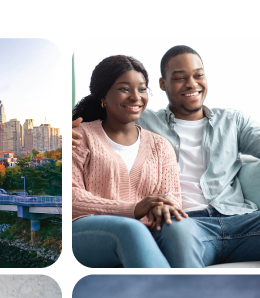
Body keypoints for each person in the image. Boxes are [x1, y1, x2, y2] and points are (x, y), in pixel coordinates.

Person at [72, 45, 260, 268]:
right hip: (184, 224)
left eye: (198, 75)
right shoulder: (140, 118)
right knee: (172, 227)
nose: (191, 84)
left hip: (240, 219)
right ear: (163, 84)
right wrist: (65, 131)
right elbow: (102, 121)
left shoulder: (232, 121)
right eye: (180, 77)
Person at [72, 55, 189, 268]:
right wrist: (133, 209)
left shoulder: (161, 146)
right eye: (125, 89)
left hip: (147, 231)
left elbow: (172, 199)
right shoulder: (80, 136)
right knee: (131, 229)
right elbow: (72, 198)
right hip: (83, 231)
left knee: (179, 226)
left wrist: (162, 207)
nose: (136, 97)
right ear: (103, 96)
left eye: (142, 89)